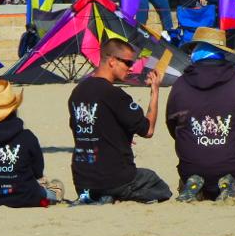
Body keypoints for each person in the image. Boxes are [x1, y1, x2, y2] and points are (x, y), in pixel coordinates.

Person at [165, 27, 235, 203]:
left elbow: (173, 127)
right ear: (222, 53)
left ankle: (195, 189)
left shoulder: (180, 85)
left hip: (192, 168)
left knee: (194, 179)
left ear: (196, 52)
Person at [68, 38, 172, 204]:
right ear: (112, 61)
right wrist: (155, 91)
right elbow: (148, 130)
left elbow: (87, 128)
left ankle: (106, 195)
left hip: (83, 182)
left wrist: (122, 135)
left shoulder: (77, 92)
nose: (131, 68)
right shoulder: (114, 95)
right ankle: (114, 194)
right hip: (115, 178)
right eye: (128, 63)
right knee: (157, 185)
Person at [0, 80, 65, 209]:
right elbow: (38, 172)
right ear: (14, 109)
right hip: (27, 196)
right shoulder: (27, 137)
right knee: (57, 186)